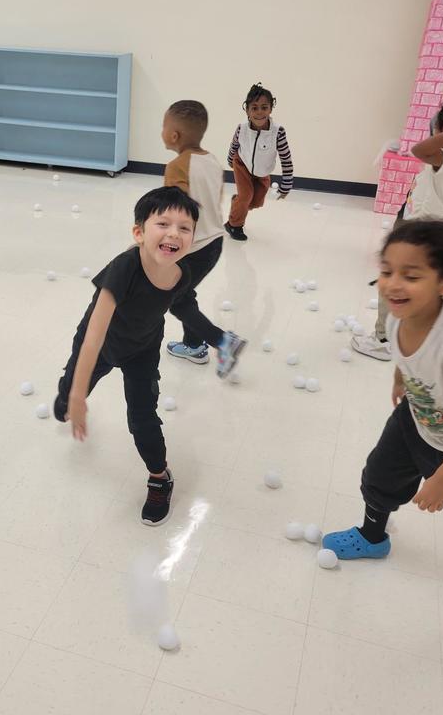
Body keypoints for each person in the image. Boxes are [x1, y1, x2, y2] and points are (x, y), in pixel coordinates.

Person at [323, 221, 443, 621]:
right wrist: (401, 378)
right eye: (387, 271)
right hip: (417, 417)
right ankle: (373, 537)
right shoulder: (398, 315)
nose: (394, 284)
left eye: (411, 276)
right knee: (378, 477)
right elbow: (404, 354)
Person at [54, 187, 198, 526]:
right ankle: (68, 394)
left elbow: (183, 308)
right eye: (163, 223)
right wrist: (76, 394)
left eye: (185, 227)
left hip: (143, 351)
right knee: (66, 400)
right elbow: (93, 335)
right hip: (100, 343)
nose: (174, 233)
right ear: (139, 232)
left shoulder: (181, 274)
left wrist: (215, 336)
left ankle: (160, 476)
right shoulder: (123, 268)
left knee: (142, 418)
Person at [352, 97, 443, 361]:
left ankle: (383, 339)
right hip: (432, 225)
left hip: (417, 230)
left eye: (439, 128)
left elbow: (419, 150)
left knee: (393, 280)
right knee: (417, 285)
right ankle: (413, 335)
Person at [160, 100, 246, 374]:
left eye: (164, 127)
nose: (162, 131)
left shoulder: (176, 167)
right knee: (185, 292)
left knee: (173, 299)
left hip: (191, 248)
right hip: (215, 242)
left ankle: (222, 341)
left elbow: (176, 212)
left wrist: (160, 244)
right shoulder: (211, 161)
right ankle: (194, 345)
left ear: (174, 135)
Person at [224, 83, 294, 241]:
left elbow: (286, 158)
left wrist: (286, 185)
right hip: (242, 164)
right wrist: (230, 160)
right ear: (247, 110)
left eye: (264, 107)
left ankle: (238, 202)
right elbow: (234, 144)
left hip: (262, 171)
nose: (259, 112)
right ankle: (233, 225)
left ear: (271, 109)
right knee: (246, 195)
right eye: (254, 108)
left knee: (255, 202)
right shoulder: (242, 128)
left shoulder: (278, 132)